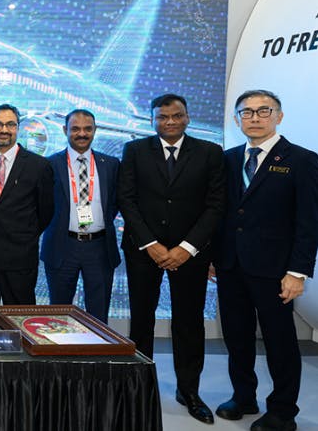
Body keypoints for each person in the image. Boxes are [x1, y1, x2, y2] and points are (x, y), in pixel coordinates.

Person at [213, 90, 318, 431]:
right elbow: (223, 213)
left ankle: (283, 410)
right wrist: (215, 257)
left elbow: (309, 221)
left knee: (280, 341)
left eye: (263, 111)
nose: (254, 118)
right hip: (230, 267)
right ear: (236, 119)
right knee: (237, 335)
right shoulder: (228, 160)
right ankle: (244, 396)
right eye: (247, 112)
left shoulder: (302, 160)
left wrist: (298, 272)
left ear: (279, 116)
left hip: (276, 270)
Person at [117, 93, 224, 425]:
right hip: (144, 250)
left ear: (187, 117)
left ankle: (188, 391)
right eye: (162, 117)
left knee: (189, 323)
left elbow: (216, 204)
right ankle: (140, 387)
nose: (170, 122)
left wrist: (186, 248)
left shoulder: (209, 152)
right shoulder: (134, 151)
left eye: (176, 116)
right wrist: (151, 244)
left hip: (190, 254)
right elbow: (127, 199)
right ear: (152, 120)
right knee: (142, 321)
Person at [0, 104, 54, 308]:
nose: (3, 130)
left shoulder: (38, 166)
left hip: (20, 257)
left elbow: (46, 212)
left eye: (10, 124)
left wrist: (23, 234)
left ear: (18, 127)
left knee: (20, 318)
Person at [40, 109, 120, 322]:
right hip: (62, 245)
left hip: (99, 247)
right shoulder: (49, 165)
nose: (82, 134)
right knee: (58, 313)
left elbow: (114, 203)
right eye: (75, 129)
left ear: (95, 130)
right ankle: (59, 354)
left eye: (87, 129)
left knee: (99, 313)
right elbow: (41, 206)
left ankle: (98, 355)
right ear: (65, 130)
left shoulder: (111, 165)